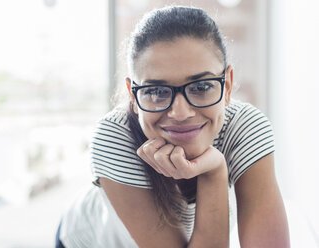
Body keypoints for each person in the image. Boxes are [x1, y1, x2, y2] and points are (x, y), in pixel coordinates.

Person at [57, 5, 290, 248]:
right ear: (133, 96)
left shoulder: (246, 128)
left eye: (201, 87)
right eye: (156, 91)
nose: (180, 113)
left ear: (228, 86)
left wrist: (214, 168)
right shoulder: (114, 137)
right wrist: (213, 174)